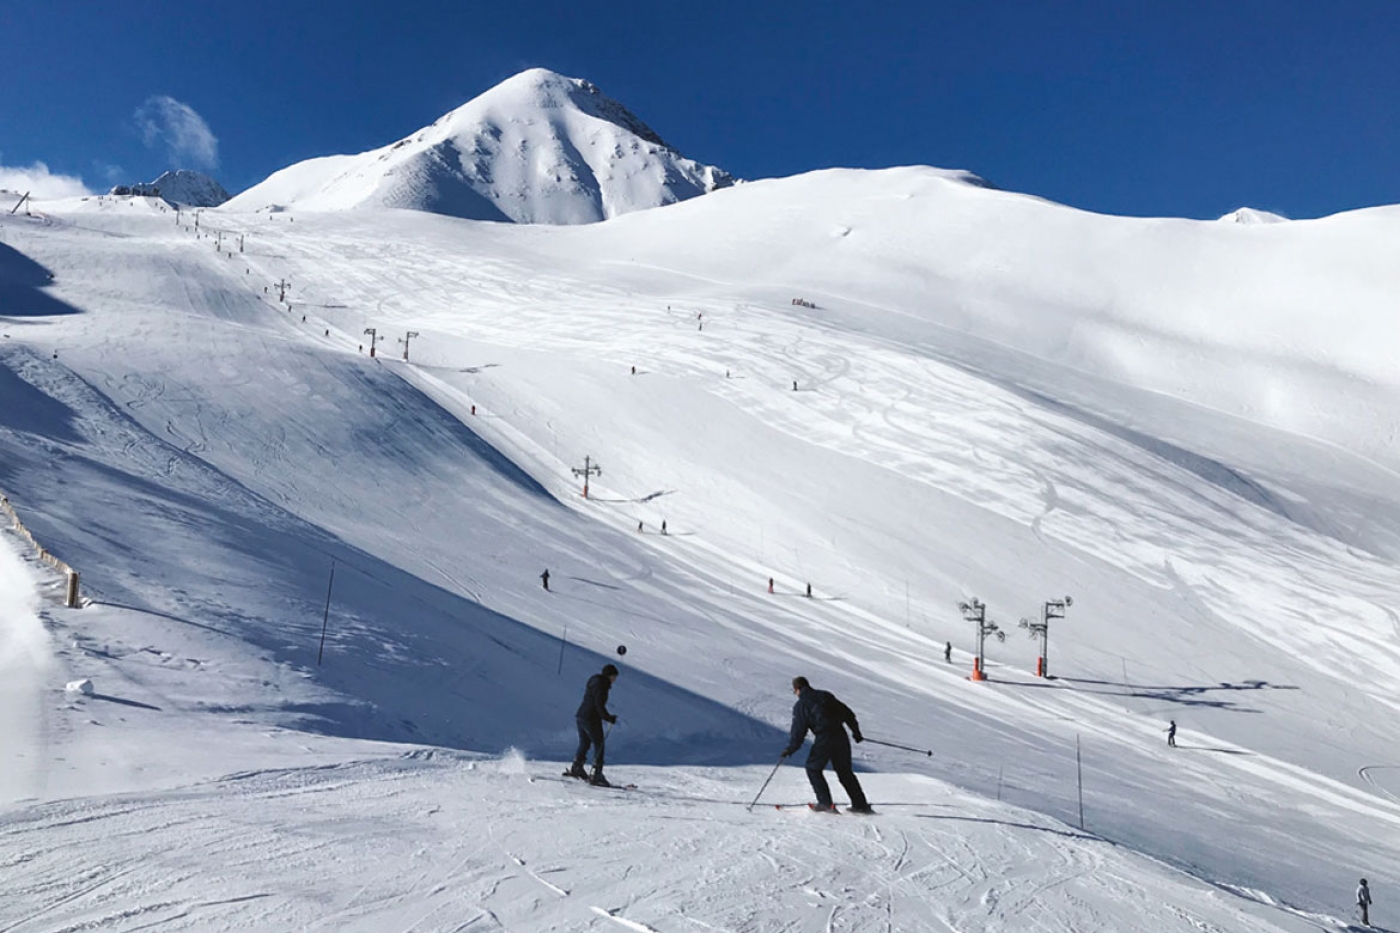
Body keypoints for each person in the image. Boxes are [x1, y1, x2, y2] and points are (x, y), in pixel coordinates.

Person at [781, 676, 872, 813]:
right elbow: (848, 713)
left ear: (798, 689)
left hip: (824, 738)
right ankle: (860, 805)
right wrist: (856, 733)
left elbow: (799, 730)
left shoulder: (801, 705)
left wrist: (791, 748)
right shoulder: (825, 695)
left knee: (813, 768)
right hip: (841, 736)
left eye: (794, 691)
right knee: (845, 772)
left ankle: (825, 803)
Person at [568, 663, 620, 786]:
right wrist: (608, 718)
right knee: (599, 744)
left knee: (585, 743)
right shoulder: (602, 686)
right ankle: (597, 773)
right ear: (609, 676)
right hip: (591, 718)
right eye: (614, 677)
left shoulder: (595, 681)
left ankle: (577, 767)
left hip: (581, 715)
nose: (615, 680)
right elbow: (599, 705)